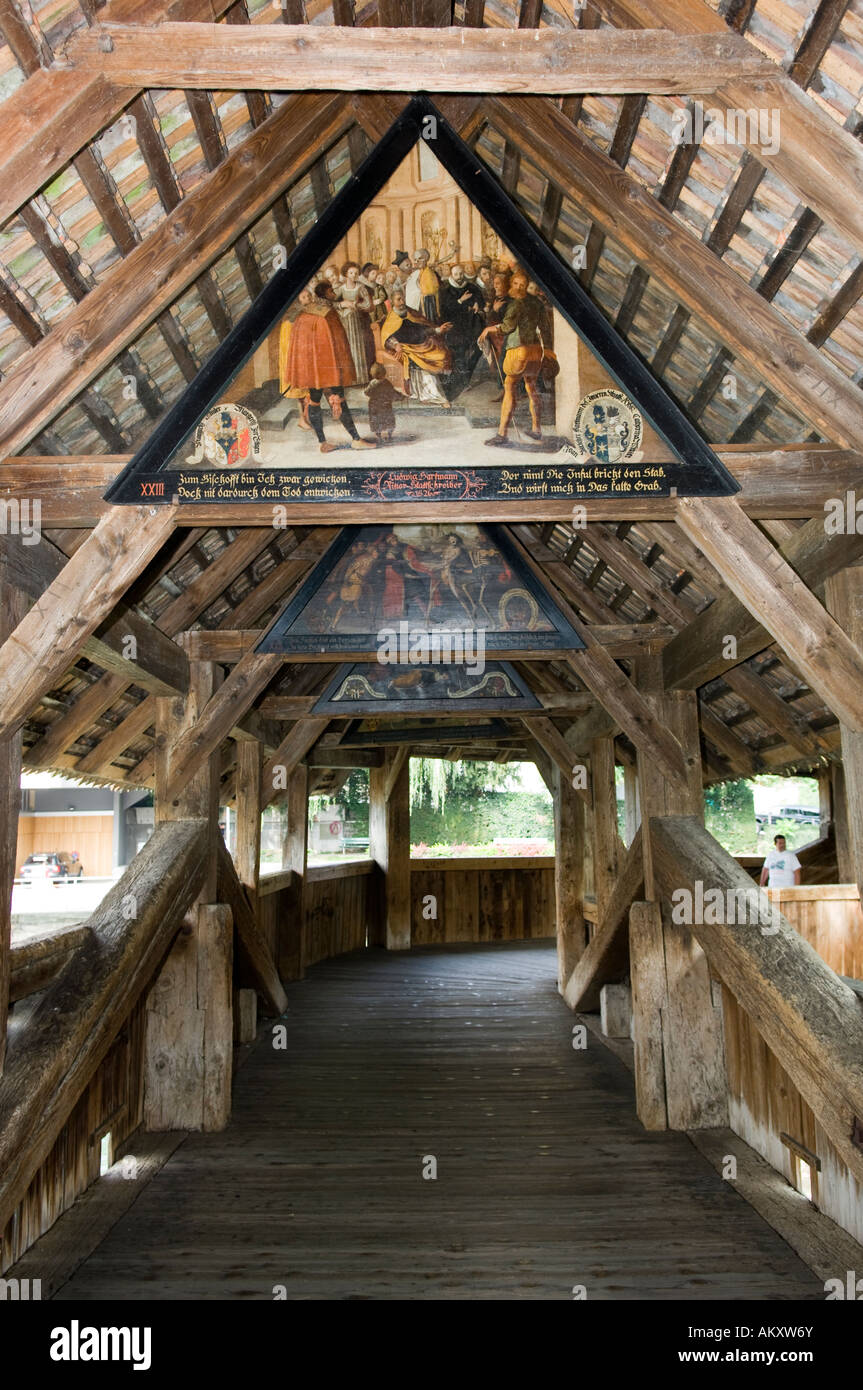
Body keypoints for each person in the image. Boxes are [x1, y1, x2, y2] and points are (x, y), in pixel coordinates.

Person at [282, 281, 376, 453]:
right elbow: (337, 344)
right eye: (331, 291)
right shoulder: (324, 314)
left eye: (308, 294)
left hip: (314, 370)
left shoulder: (305, 314)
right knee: (337, 401)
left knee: (315, 401)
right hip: (328, 368)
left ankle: (323, 442)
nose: (334, 293)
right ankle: (355, 439)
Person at [478, 269, 546, 446]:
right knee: (531, 388)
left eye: (521, 285)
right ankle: (536, 429)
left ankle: (502, 434)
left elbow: (507, 327)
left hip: (519, 351)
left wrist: (488, 329)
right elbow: (544, 328)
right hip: (536, 351)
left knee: (509, 386)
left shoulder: (516, 304)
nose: (518, 287)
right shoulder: (537, 303)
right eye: (515, 284)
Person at [380, 289, 453, 406]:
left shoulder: (411, 312)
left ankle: (439, 392)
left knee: (442, 354)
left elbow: (424, 328)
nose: (402, 301)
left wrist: (438, 329)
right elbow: (386, 336)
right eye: (398, 299)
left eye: (403, 298)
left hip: (423, 345)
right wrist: (396, 345)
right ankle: (436, 397)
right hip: (408, 349)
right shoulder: (391, 318)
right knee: (424, 368)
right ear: (392, 301)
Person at [439, 264, 485, 397]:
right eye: (456, 274)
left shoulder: (470, 286)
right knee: (459, 353)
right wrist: (460, 301)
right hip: (455, 328)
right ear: (451, 275)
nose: (459, 277)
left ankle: (464, 379)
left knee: (477, 349)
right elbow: (445, 311)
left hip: (471, 325)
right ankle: (460, 384)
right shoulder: (446, 290)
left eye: (461, 273)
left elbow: (479, 298)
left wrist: (477, 303)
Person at [334, 261, 374, 384]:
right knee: (346, 348)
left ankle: (360, 379)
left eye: (356, 273)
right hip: (344, 322)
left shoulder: (360, 287)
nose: (353, 275)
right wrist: (343, 304)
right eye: (351, 273)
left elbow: (369, 304)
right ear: (346, 274)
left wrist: (357, 305)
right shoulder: (341, 288)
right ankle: (348, 379)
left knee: (357, 347)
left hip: (357, 322)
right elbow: (332, 303)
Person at [364, 363, 404, 441]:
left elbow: (366, 392)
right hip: (385, 405)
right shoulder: (387, 383)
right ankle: (389, 436)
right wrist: (401, 396)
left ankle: (379, 437)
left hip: (374, 406)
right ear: (384, 373)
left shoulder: (372, 383)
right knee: (388, 420)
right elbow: (392, 392)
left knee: (376, 422)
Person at [405, 248, 442, 322]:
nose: (416, 262)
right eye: (415, 259)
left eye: (420, 258)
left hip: (428, 305)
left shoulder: (429, 273)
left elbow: (430, 293)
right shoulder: (420, 272)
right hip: (421, 304)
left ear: (426, 259)